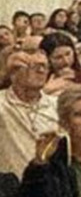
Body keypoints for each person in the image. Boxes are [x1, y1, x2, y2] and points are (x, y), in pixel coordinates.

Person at [0, 49, 59, 179]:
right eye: (34, 66)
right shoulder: (2, 104)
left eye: (45, 66)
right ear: (14, 73)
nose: (42, 71)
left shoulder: (57, 105)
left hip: (51, 186)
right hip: (9, 188)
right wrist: (3, 72)